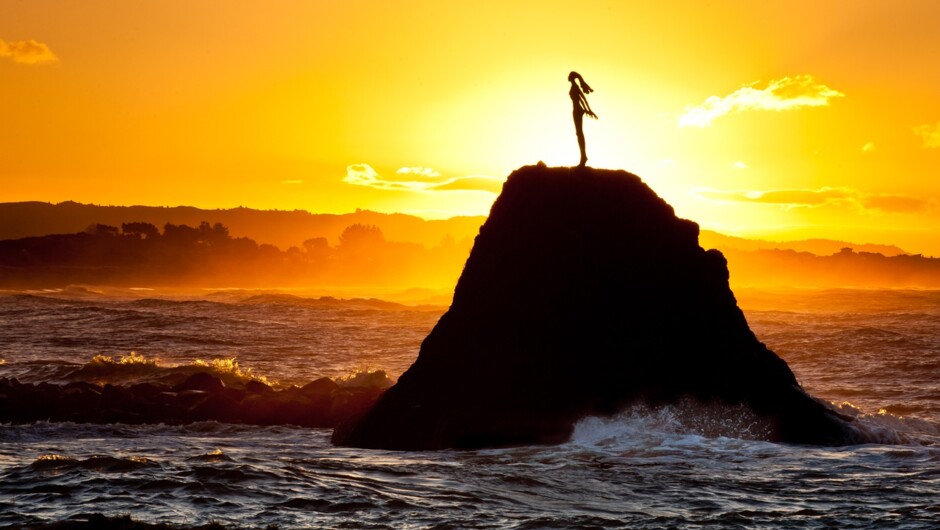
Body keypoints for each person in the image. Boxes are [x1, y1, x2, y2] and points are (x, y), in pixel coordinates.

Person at [568, 71, 598, 168]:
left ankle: (583, 157)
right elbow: (582, 100)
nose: (567, 77)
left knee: (579, 133)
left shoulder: (575, 87)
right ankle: (583, 156)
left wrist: (588, 110)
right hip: (577, 110)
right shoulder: (574, 87)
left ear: (572, 77)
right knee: (579, 133)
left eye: (569, 75)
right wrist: (587, 110)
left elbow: (583, 99)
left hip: (577, 111)